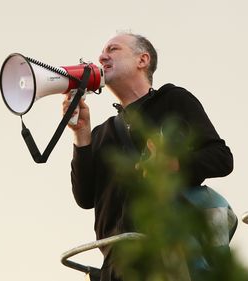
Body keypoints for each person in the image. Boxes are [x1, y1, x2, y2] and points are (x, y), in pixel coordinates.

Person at [63, 32, 234, 281]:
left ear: (142, 60)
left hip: (168, 257)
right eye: (103, 52)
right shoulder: (102, 133)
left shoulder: (173, 100)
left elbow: (221, 158)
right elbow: (85, 197)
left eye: (113, 49)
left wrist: (174, 164)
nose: (102, 56)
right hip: (116, 265)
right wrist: (81, 135)